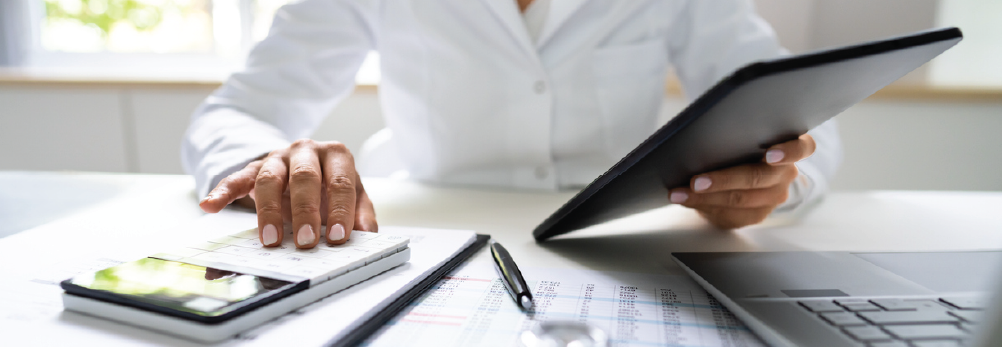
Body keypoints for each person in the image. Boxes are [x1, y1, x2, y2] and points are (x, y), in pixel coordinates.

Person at [183, 0, 841, 248]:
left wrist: (777, 176)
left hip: (620, 244)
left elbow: (798, 109)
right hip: (425, 242)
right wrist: (274, 161)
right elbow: (234, 115)